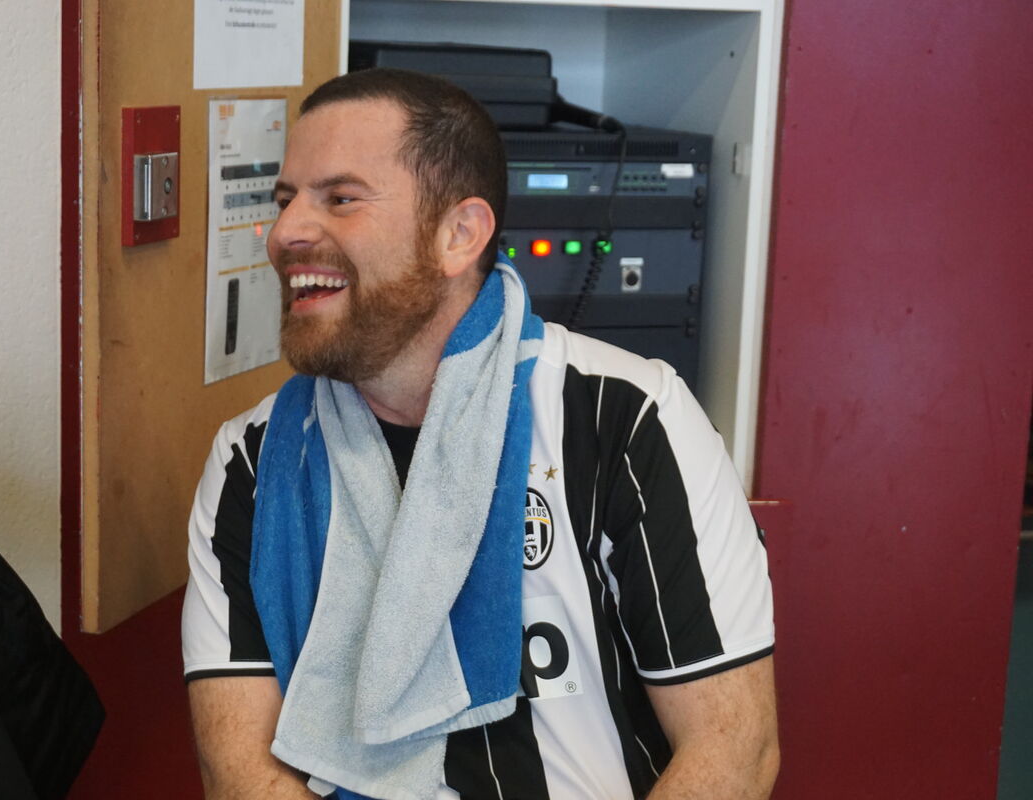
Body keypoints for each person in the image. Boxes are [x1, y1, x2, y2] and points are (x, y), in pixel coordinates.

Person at [182, 68, 778, 800]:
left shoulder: (628, 419)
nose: (284, 235)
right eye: (285, 201)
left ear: (459, 234)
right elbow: (239, 771)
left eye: (340, 199)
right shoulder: (250, 462)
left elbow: (734, 748)